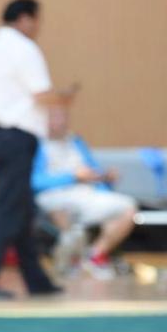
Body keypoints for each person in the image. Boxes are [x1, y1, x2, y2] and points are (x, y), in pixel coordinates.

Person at [0, 0, 78, 298]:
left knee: (22, 209)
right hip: (16, 138)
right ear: (26, 19)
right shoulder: (24, 49)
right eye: (37, 20)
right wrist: (64, 98)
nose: (38, 27)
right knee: (8, 210)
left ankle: (37, 280)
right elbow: (41, 94)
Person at [33, 106, 137, 279]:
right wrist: (72, 177)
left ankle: (94, 255)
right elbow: (34, 182)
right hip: (53, 196)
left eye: (62, 117)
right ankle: (67, 260)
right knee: (63, 212)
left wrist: (104, 178)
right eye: (54, 118)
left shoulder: (75, 141)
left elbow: (92, 171)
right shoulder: (35, 143)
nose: (59, 122)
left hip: (85, 194)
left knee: (127, 207)